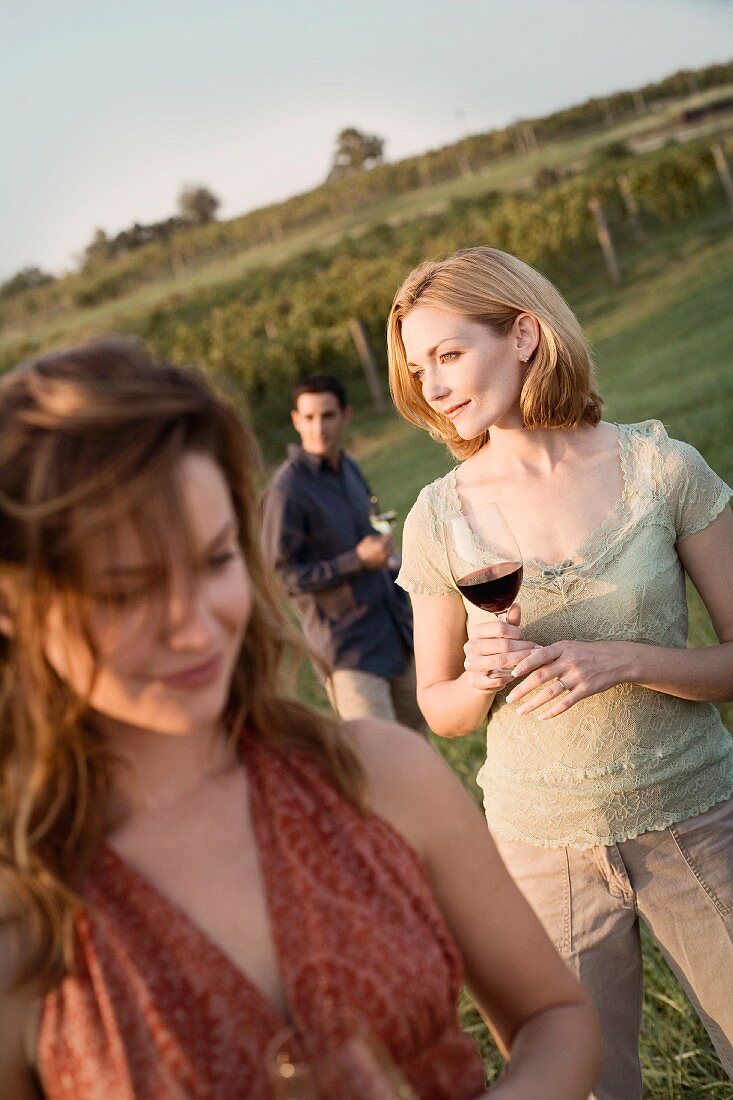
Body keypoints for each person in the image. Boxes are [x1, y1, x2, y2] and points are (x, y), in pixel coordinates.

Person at [0, 337, 600, 1100]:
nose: (195, 625)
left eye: (215, 561)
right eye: (126, 592)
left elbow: (554, 1016)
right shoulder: (23, 910)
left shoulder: (378, 775)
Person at [386, 245, 733, 1100]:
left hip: (693, 818)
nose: (430, 385)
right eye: (416, 366)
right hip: (538, 854)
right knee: (590, 1088)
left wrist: (625, 661)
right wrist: (478, 677)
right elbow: (443, 710)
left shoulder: (661, 470)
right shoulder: (438, 516)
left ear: (526, 335)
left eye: (449, 354)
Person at [262, 373, 424, 731]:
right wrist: (357, 561)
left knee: (417, 751)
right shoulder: (286, 491)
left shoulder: (348, 468)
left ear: (346, 416)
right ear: (296, 420)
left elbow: (368, 530)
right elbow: (281, 576)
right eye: (309, 417)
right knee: (380, 764)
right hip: (348, 652)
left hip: (393, 634)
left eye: (328, 416)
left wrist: (383, 557)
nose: (319, 427)